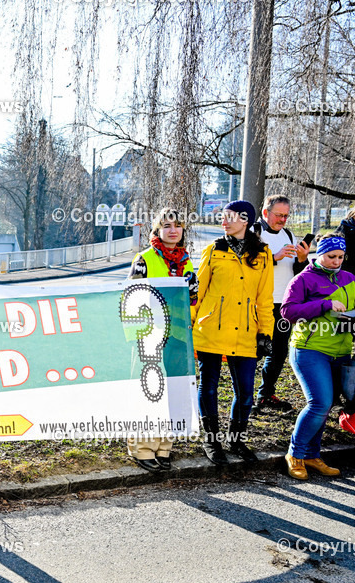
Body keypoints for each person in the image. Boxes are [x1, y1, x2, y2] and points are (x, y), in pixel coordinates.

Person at [192, 200, 274, 466]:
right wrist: (189, 327)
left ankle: (236, 440)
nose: (224, 221)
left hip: (246, 333)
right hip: (210, 330)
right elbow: (197, 293)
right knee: (209, 387)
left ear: (246, 220)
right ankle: (212, 440)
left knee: (246, 392)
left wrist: (266, 333)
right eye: (223, 217)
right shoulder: (213, 250)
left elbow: (265, 298)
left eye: (230, 217)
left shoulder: (262, 253)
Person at [280, 234, 355, 480]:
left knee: (326, 404)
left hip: (340, 350)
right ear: (320, 254)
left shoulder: (350, 279)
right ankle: (294, 454)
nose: (336, 261)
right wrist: (325, 305)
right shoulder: (303, 279)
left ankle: (311, 455)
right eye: (331, 257)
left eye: (340, 257)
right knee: (319, 402)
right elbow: (288, 311)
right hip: (309, 349)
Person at [126, 208, 197, 471]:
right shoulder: (144, 259)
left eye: (177, 225)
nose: (173, 230)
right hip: (150, 335)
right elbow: (129, 296)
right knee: (150, 392)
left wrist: (192, 292)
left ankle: (164, 447)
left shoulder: (186, 260)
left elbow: (191, 300)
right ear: (157, 231)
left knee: (174, 392)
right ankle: (142, 448)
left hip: (178, 335)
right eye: (166, 226)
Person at [254, 195, 310, 413]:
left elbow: (295, 272)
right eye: (279, 215)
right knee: (254, 350)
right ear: (266, 212)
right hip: (260, 303)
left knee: (278, 351)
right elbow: (248, 264)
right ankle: (243, 399)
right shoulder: (254, 232)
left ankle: (265, 394)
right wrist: (273, 257)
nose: (283, 220)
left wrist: (302, 258)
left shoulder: (288, 234)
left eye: (286, 216)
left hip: (284, 303)